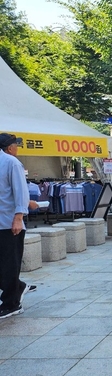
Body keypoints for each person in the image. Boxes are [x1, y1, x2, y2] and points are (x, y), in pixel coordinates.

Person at [0, 133, 37, 319]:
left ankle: (11, 304)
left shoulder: (11, 163)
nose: (17, 148)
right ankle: (18, 286)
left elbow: (20, 191)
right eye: (16, 145)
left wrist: (18, 217)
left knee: (9, 265)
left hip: (8, 223)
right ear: (9, 147)